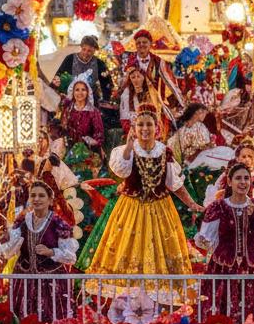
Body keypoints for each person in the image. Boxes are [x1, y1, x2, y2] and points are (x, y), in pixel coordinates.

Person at [87, 103, 203, 290]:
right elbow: (121, 171)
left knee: (160, 252)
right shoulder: (126, 151)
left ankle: (160, 294)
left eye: (149, 124)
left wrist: (192, 203)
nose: (145, 129)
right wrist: (128, 146)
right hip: (131, 208)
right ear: (134, 128)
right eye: (140, 125)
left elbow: (175, 184)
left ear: (156, 127)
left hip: (160, 209)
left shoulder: (164, 152)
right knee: (127, 249)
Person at [194, 160, 254, 321]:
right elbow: (206, 238)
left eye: (246, 178)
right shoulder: (218, 207)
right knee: (220, 318)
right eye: (238, 178)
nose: (243, 182)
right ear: (229, 181)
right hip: (223, 268)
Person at [0, 180, 77, 322]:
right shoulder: (22, 220)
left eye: (41, 195)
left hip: (51, 283)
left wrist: (52, 252)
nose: (37, 199)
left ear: (50, 199)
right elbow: (8, 251)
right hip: (24, 281)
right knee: (23, 322)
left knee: (51, 320)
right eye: (33, 195)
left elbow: (71, 258)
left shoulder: (57, 222)